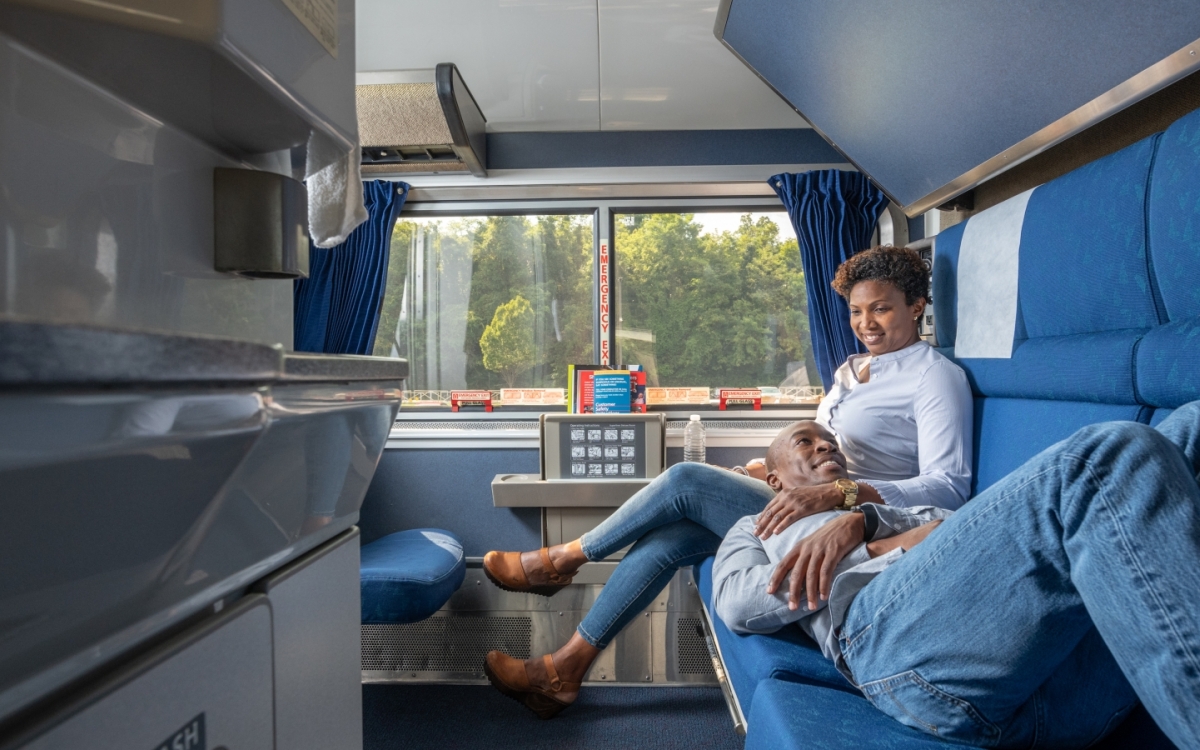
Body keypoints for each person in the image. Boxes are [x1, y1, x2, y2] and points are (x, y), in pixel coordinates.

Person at [483, 245, 973, 718]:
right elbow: (832, 447)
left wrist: (844, 492)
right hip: (813, 501)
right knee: (673, 537)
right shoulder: (852, 369)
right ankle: (565, 669)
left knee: (685, 480)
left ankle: (562, 560)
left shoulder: (934, 377)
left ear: (917, 306)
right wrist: (769, 472)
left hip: (854, 517)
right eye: (855, 311)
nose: (865, 324)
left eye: (881, 310)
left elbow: (949, 487)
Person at [712, 402, 1200, 749]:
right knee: (1105, 456)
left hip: (1069, 686)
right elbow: (737, 604)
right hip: (889, 643)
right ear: (773, 479)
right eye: (806, 442)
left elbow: (958, 525)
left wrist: (861, 520)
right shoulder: (751, 529)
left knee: (1191, 423)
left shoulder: (867, 504)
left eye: (831, 442)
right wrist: (870, 549)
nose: (825, 446)